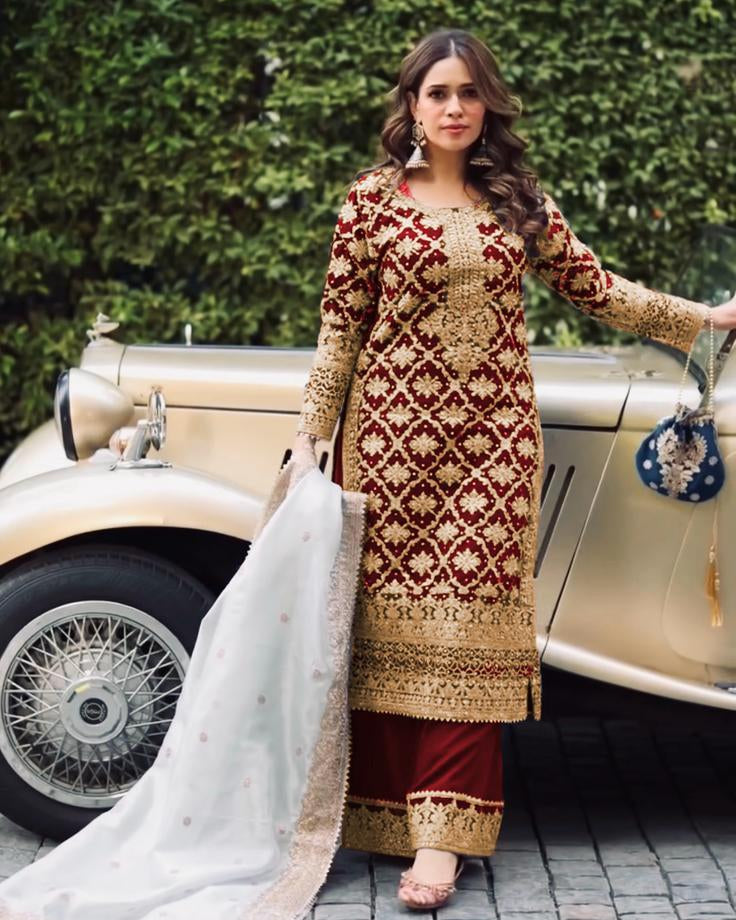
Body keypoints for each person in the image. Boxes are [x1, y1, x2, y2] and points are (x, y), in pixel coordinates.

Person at [290, 27, 736, 911]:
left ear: (486, 104)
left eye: (467, 93)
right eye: (437, 93)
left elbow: (596, 288)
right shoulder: (369, 204)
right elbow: (340, 328)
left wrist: (707, 320)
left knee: (470, 639)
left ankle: (444, 840)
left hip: (494, 451)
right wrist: (313, 436)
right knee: (387, 636)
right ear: (411, 106)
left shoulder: (516, 200)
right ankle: (384, 817)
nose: (454, 108)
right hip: (389, 448)